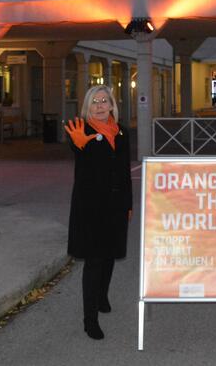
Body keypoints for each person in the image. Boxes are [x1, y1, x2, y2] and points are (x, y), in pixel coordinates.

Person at [64, 85, 132, 340]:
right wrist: (80, 145)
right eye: (95, 102)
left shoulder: (122, 132)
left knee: (110, 255)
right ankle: (89, 319)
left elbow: (125, 172)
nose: (100, 105)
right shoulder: (82, 130)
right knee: (94, 261)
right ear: (87, 107)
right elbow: (76, 146)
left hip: (116, 205)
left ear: (112, 105)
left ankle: (102, 296)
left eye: (105, 101)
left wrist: (128, 204)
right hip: (90, 208)